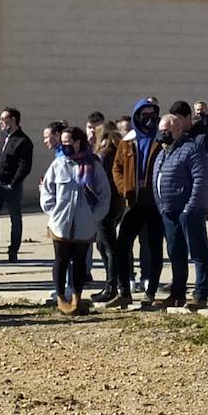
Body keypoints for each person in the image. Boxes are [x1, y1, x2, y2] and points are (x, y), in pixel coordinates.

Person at [39, 125, 111, 315]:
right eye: (62, 143)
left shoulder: (93, 165)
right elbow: (47, 189)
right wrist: (52, 211)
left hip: (84, 224)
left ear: (78, 143)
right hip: (60, 223)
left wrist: (94, 216)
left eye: (67, 142)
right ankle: (61, 298)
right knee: (61, 260)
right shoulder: (59, 164)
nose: (64, 146)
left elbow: (104, 194)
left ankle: (77, 298)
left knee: (80, 262)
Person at [152, 112, 208, 309]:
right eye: (161, 131)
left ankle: (201, 293)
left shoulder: (191, 149)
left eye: (166, 131)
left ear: (178, 129)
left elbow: (200, 180)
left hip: (188, 211)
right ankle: (178, 293)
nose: (162, 134)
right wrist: (160, 205)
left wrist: (190, 207)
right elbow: (156, 178)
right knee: (175, 252)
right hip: (168, 211)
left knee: (198, 251)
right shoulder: (163, 151)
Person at [111, 99, 165, 307]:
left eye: (153, 114)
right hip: (132, 202)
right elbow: (117, 168)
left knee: (153, 247)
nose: (149, 119)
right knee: (122, 245)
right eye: (145, 114)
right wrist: (124, 188)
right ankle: (124, 291)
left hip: (154, 203)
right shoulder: (128, 141)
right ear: (136, 115)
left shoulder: (161, 139)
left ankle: (150, 292)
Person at [0, 107, 33, 264]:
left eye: (4, 119)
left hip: (12, 186)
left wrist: (14, 183)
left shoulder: (23, 141)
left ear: (13, 120)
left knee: (15, 219)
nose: (1, 122)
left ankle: (13, 251)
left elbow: (24, 166)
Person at [89, 119, 126, 304]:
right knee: (104, 245)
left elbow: (98, 183)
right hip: (117, 203)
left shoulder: (102, 155)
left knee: (107, 246)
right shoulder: (117, 150)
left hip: (105, 205)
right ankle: (112, 284)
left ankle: (113, 286)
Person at [173, 99, 208, 172]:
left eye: (179, 119)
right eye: (198, 110)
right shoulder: (177, 137)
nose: (176, 124)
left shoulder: (207, 131)